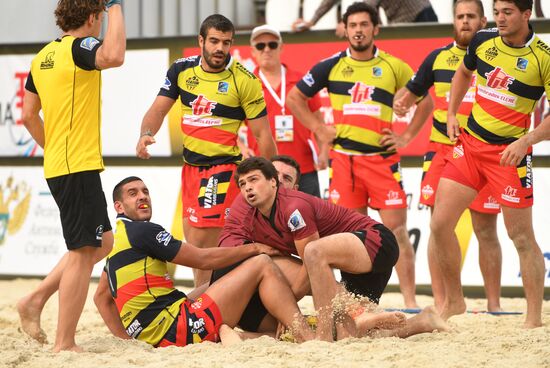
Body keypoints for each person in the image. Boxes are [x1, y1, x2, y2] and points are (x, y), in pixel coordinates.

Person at [287, 2, 435, 308]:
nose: (358, 30)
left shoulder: (395, 66)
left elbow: (426, 103)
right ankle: (355, 302)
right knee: (350, 234)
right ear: (345, 29)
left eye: (364, 25)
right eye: (352, 25)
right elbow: (295, 97)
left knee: (396, 232)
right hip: (344, 163)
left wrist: (406, 137)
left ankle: (409, 301)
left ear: (376, 29)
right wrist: (318, 127)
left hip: (382, 162)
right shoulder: (331, 65)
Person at [228, 157, 449, 341]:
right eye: (243, 183)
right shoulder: (257, 217)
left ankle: (325, 337)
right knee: (350, 335)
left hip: (376, 240)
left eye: (254, 180)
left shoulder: (294, 206)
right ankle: (423, 321)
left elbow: (311, 264)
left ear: (272, 182)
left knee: (313, 252)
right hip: (354, 266)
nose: (247, 187)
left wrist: (288, 312)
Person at [431, 0, 550, 328]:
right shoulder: (484, 41)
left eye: (507, 12)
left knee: (522, 237)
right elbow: (463, 73)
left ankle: (534, 320)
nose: (499, 18)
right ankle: (454, 300)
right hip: (469, 146)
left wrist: (526, 141)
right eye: (497, 11)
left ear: (526, 15)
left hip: (509, 155)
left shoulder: (543, 57)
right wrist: (453, 113)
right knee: (440, 224)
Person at [135, 14, 277, 287]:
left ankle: (210, 305)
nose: (219, 48)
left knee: (206, 246)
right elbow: (157, 110)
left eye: (226, 42)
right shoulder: (181, 70)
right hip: (191, 169)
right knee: (195, 245)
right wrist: (146, 134)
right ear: (201, 41)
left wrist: (274, 177)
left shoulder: (244, 80)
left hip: (222, 169)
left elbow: (262, 134)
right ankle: (207, 305)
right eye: (214, 41)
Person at [93, 176, 315, 347]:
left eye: (145, 191)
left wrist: (129, 342)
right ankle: (304, 333)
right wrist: (254, 248)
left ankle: (249, 334)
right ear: (119, 207)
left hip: (158, 331)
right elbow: (202, 259)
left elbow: (101, 298)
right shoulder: (143, 231)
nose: (142, 196)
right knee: (262, 263)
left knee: (217, 284)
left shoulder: (116, 242)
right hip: (176, 329)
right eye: (133, 194)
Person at [17, 0, 125, 352]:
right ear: (93, 18)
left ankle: (36, 298)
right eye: (101, 17)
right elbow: (115, 56)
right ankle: (65, 343)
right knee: (82, 252)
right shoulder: (82, 46)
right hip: (76, 165)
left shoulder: (43, 56)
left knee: (102, 243)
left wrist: (54, 148)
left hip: (62, 163)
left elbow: (29, 115)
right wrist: (117, 7)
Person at [382, 0, 503, 313]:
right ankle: (442, 303)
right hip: (441, 150)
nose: (465, 22)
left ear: (483, 19)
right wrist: (402, 114)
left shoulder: (498, 55)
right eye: (460, 16)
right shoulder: (436, 58)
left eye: (471, 16)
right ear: (453, 20)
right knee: (438, 226)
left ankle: (493, 305)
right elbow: (410, 96)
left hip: (483, 148)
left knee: (486, 229)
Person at [244, 24, 328, 197]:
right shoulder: (245, 85)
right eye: (260, 46)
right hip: (262, 171)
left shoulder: (301, 81)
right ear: (252, 51)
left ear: (281, 48)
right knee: (265, 224)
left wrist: (324, 151)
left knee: (309, 222)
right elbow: (228, 125)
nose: (266, 49)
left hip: (302, 169)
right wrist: (241, 148)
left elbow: (319, 120)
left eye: (272, 45)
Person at [292, 0, 438, 37]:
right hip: (399, 21)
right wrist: (311, 21)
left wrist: (348, 21)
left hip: (421, 16)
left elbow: (368, 6)